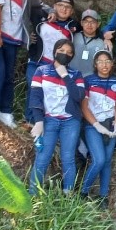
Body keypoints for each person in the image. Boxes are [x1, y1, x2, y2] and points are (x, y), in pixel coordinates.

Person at [0, 0, 49, 128]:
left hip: (14, 39)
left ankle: (6, 111)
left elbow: (41, 5)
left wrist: (52, 12)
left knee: (8, 75)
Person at [28, 39, 85, 194]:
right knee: (42, 159)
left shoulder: (76, 74)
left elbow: (78, 96)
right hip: (48, 121)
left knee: (68, 159)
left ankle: (68, 196)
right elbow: (35, 97)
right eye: (61, 50)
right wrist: (38, 121)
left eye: (69, 52)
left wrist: (65, 76)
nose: (64, 54)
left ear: (72, 56)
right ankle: (32, 196)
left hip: (70, 121)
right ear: (54, 51)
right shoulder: (41, 71)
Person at [80, 50, 116, 206]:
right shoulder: (88, 81)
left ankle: (103, 196)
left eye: (107, 61)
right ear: (95, 64)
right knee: (99, 160)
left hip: (110, 125)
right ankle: (83, 192)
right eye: (100, 61)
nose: (104, 65)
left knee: (107, 161)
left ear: (112, 64)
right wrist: (96, 125)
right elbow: (84, 107)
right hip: (93, 126)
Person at [27, 0, 79, 121]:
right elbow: (24, 14)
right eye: (60, 5)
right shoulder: (41, 16)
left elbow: (92, 29)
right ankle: (29, 120)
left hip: (56, 67)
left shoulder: (73, 26)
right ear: (54, 6)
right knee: (33, 90)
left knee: (49, 94)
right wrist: (28, 34)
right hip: (37, 62)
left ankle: (45, 122)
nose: (64, 9)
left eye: (68, 7)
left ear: (72, 11)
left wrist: (105, 37)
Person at [71, 9, 111, 77]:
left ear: (98, 24)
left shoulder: (103, 43)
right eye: (86, 21)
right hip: (71, 75)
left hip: (91, 79)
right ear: (81, 23)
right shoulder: (73, 36)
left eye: (93, 22)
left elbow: (107, 64)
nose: (89, 24)